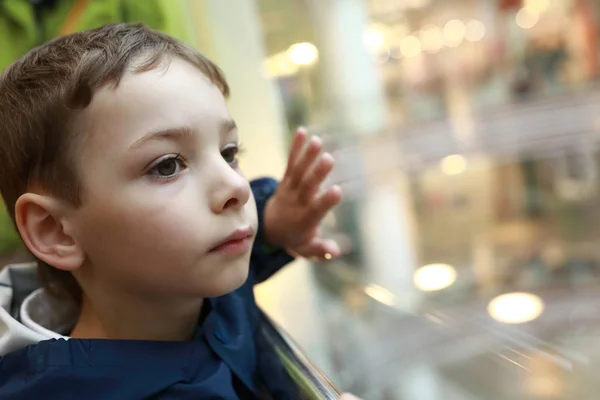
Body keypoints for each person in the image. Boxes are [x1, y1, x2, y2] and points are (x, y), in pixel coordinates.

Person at [0, 23, 344, 399]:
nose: (237, 188)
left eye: (229, 153)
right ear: (56, 231)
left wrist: (275, 223)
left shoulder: (187, 280)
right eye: (166, 166)